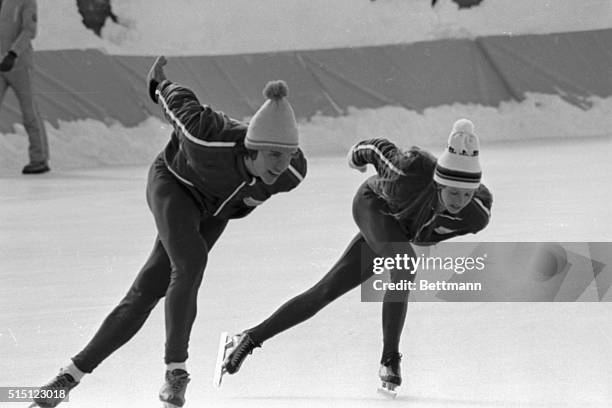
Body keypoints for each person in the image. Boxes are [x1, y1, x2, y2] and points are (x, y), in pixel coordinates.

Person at [31, 56, 307, 408]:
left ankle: (67, 377)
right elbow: (180, 103)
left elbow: (269, 177)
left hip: (214, 209)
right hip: (174, 185)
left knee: (146, 292)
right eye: (272, 155)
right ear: (252, 147)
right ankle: (176, 372)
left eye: (287, 156)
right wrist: (159, 83)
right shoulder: (205, 136)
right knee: (190, 264)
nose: (280, 165)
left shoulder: (291, 174)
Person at [219, 119, 493, 395]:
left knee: (326, 291)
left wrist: (421, 236)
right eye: (453, 192)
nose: (459, 200)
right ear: (437, 184)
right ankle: (390, 360)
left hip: (397, 228)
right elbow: (376, 149)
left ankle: (248, 338)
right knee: (405, 264)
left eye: (467, 194)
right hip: (372, 206)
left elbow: (436, 230)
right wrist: (354, 158)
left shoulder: (476, 215)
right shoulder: (409, 172)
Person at [0, 0, 50, 174]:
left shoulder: (26, 1)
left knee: (29, 111)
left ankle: (39, 158)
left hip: (19, 64)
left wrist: (13, 53)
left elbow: (29, 30)